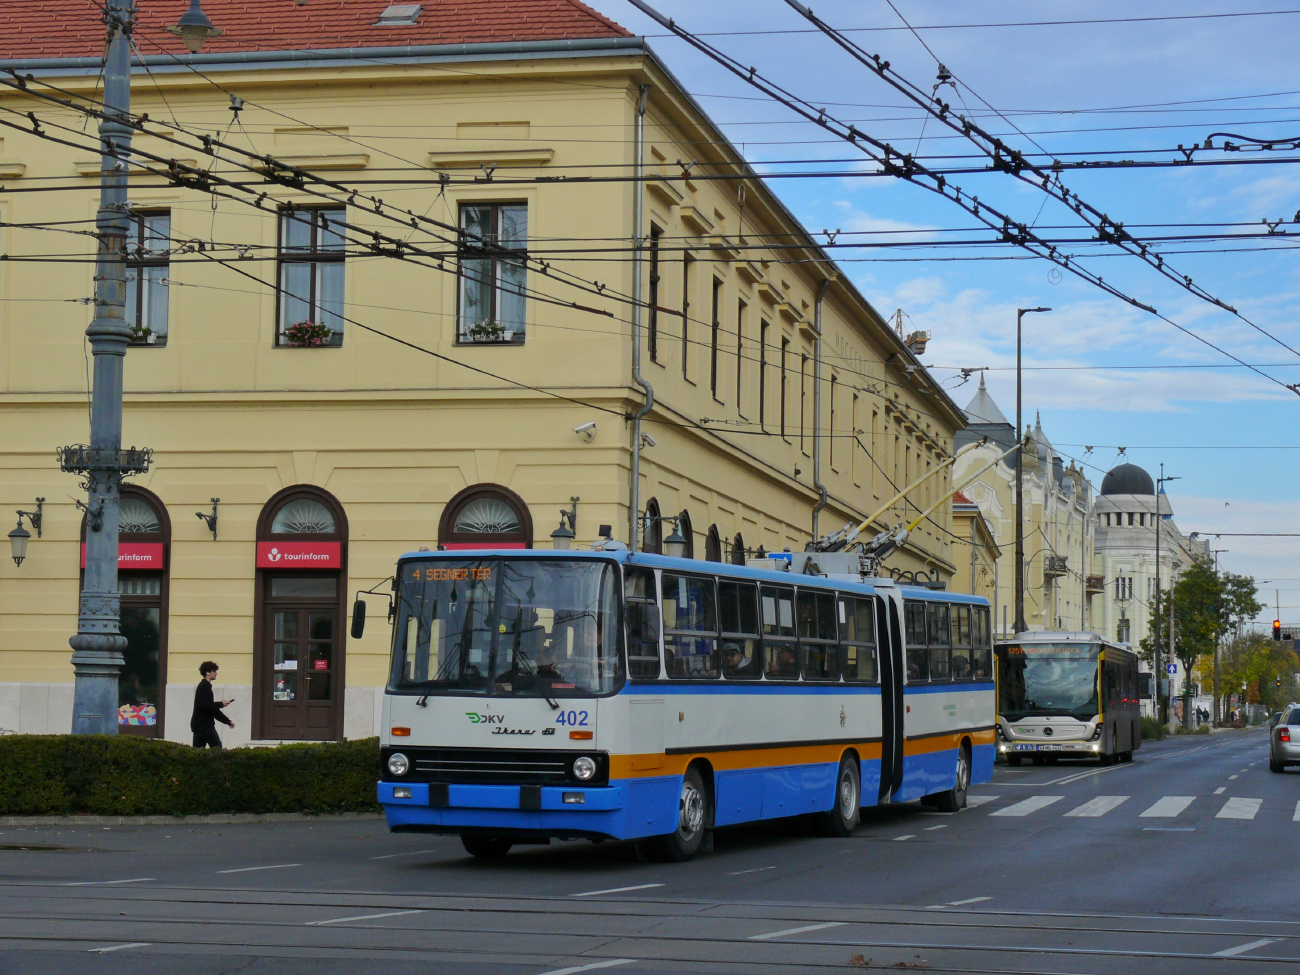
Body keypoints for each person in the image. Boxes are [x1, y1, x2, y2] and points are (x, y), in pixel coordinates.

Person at [191, 661, 234, 748]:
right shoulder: (204, 687)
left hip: (199, 726)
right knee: (217, 748)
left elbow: (211, 709)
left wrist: (227, 721)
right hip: (205, 726)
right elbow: (207, 707)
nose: (216, 673)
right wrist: (221, 704)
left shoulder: (204, 686)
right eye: (214, 671)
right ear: (207, 673)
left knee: (198, 753)